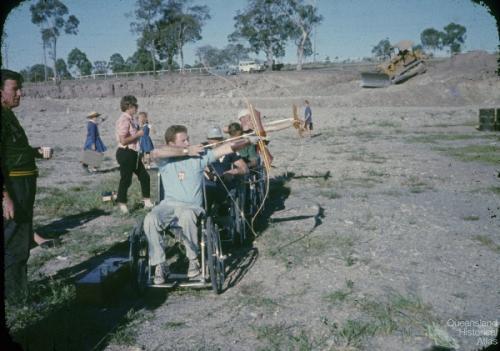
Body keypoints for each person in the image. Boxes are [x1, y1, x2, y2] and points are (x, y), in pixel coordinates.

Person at [143, 124, 255, 284]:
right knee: (150, 219)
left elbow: (225, 149)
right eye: (184, 140)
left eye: (188, 139)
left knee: (188, 216)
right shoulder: (165, 161)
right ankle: (160, 264)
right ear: (171, 144)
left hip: (191, 207)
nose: (188, 142)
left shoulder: (199, 158)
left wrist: (247, 140)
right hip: (168, 205)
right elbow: (155, 152)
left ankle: (193, 262)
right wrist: (186, 151)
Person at [1, 69, 52, 301]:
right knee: (16, 241)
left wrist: (35, 152)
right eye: (15, 89)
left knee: (20, 237)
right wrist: (5, 196)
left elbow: (13, 151)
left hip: (22, 185)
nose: (20, 93)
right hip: (14, 187)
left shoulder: (8, 115)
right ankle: (17, 299)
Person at [115, 95, 153, 214]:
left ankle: (147, 201)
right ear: (129, 106)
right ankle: (122, 203)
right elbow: (123, 140)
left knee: (144, 177)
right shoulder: (124, 120)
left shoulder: (131, 119)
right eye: (135, 105)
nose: (137, 108)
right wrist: (138, 134)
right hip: (126, 152)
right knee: (126, 180)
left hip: (133, 153)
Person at [204, 126, 248, 210]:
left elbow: (244, 168)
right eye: (211, 139)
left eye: (217, 139)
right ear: (208, 140)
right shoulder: (204, 152)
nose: (214, 142)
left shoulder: (229, 151)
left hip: (225, 183)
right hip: (208, 184)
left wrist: (233, 171)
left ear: (221, 139)